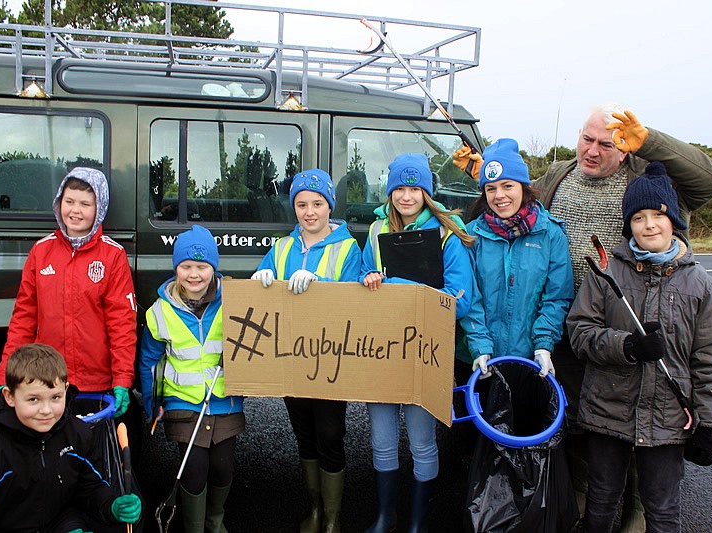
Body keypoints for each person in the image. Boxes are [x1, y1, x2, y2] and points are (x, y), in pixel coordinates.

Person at [454, 104, 712, 531]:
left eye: (606, 143)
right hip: (571, 329)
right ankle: (578, 500)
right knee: (587, 421)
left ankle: (637, 509)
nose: (592, 150)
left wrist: (649, 141)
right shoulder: (561, 173)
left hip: (627, 314)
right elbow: (514, 192)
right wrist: (483, 170)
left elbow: (710, 181)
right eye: (587, 139)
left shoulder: (643, 175)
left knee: (641, 416)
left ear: (624, 147)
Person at [566, 161, 712, 532]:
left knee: (663, 510)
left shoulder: (700, 284)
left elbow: (710, 359)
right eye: (638, 217)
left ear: (674, 220)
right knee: (601, 502)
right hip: (608, 412)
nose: (649, 225)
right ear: (629, 225)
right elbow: (580, 331)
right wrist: (627, 347)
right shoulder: (606, 273)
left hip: (669, 420)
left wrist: (711, 423)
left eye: (658, 215)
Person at [360, 152, 474, 533]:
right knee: (381, 440)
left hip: (426, 350)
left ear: (427, 191)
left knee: (423, 441)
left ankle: (418, 523)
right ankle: (384, 516)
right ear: (390, 191)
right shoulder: (377, 231)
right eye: (400, 189)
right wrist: (370, 280)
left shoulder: (447, 232)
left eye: (415, 188)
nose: (406, 197)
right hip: (382, 347)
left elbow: (461, 298)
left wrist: (400, 287)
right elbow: (362, 279)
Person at [251, 169, 361, 533]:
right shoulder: (281, 248)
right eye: (301, 204)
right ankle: (314, 509)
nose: (309, 211)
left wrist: (321, 285)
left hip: (330, 361)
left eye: (317, 203)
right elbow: (261, 290)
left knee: (330, 435)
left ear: (330, 206)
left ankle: (332, 518)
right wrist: (259, 283)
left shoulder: (348, 247)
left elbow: (354, 304)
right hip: (291, 360)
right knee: (304, 435)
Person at [0, 167, 137, 421]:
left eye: (85, 204)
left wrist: (122, 378)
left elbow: (122, 325)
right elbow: (23, 320)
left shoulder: (113, 256)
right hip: (47, 381)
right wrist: (5, 373)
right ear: (59, 202)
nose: (76, 210)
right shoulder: (41, 251)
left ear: (99, 208)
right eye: (69, 201)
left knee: (89, 454)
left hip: (96, 384)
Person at [0, 343, 141, 532]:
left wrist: (111, 506)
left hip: (61, 523)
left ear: (66, 389)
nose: (46, 411)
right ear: (9, 396)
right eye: (33, 399)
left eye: (55, 398)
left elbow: (91, 487)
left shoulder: (77, 434)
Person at [140, 224, 245, 533]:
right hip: (182, 404)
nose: (194, 274)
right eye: (186, 266)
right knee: (195, 470)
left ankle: (215, 521)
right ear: (176, 269)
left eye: (202, 266)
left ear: (214, 268)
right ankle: (195, 526)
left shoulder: (233, 302)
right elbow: (149, 361)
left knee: (223, 468)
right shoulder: (160, 312)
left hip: (224, 401)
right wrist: (151, 405)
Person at [458, 138, 573, 383]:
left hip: (530, 361)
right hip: (479, 362)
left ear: (523, 186)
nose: (499, 196)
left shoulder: (550, 234)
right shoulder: (470, 236)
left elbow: (557, 296)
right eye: (491, 189)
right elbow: (468, 296)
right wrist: (479, 345)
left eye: (507, 186)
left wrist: (544, 344)